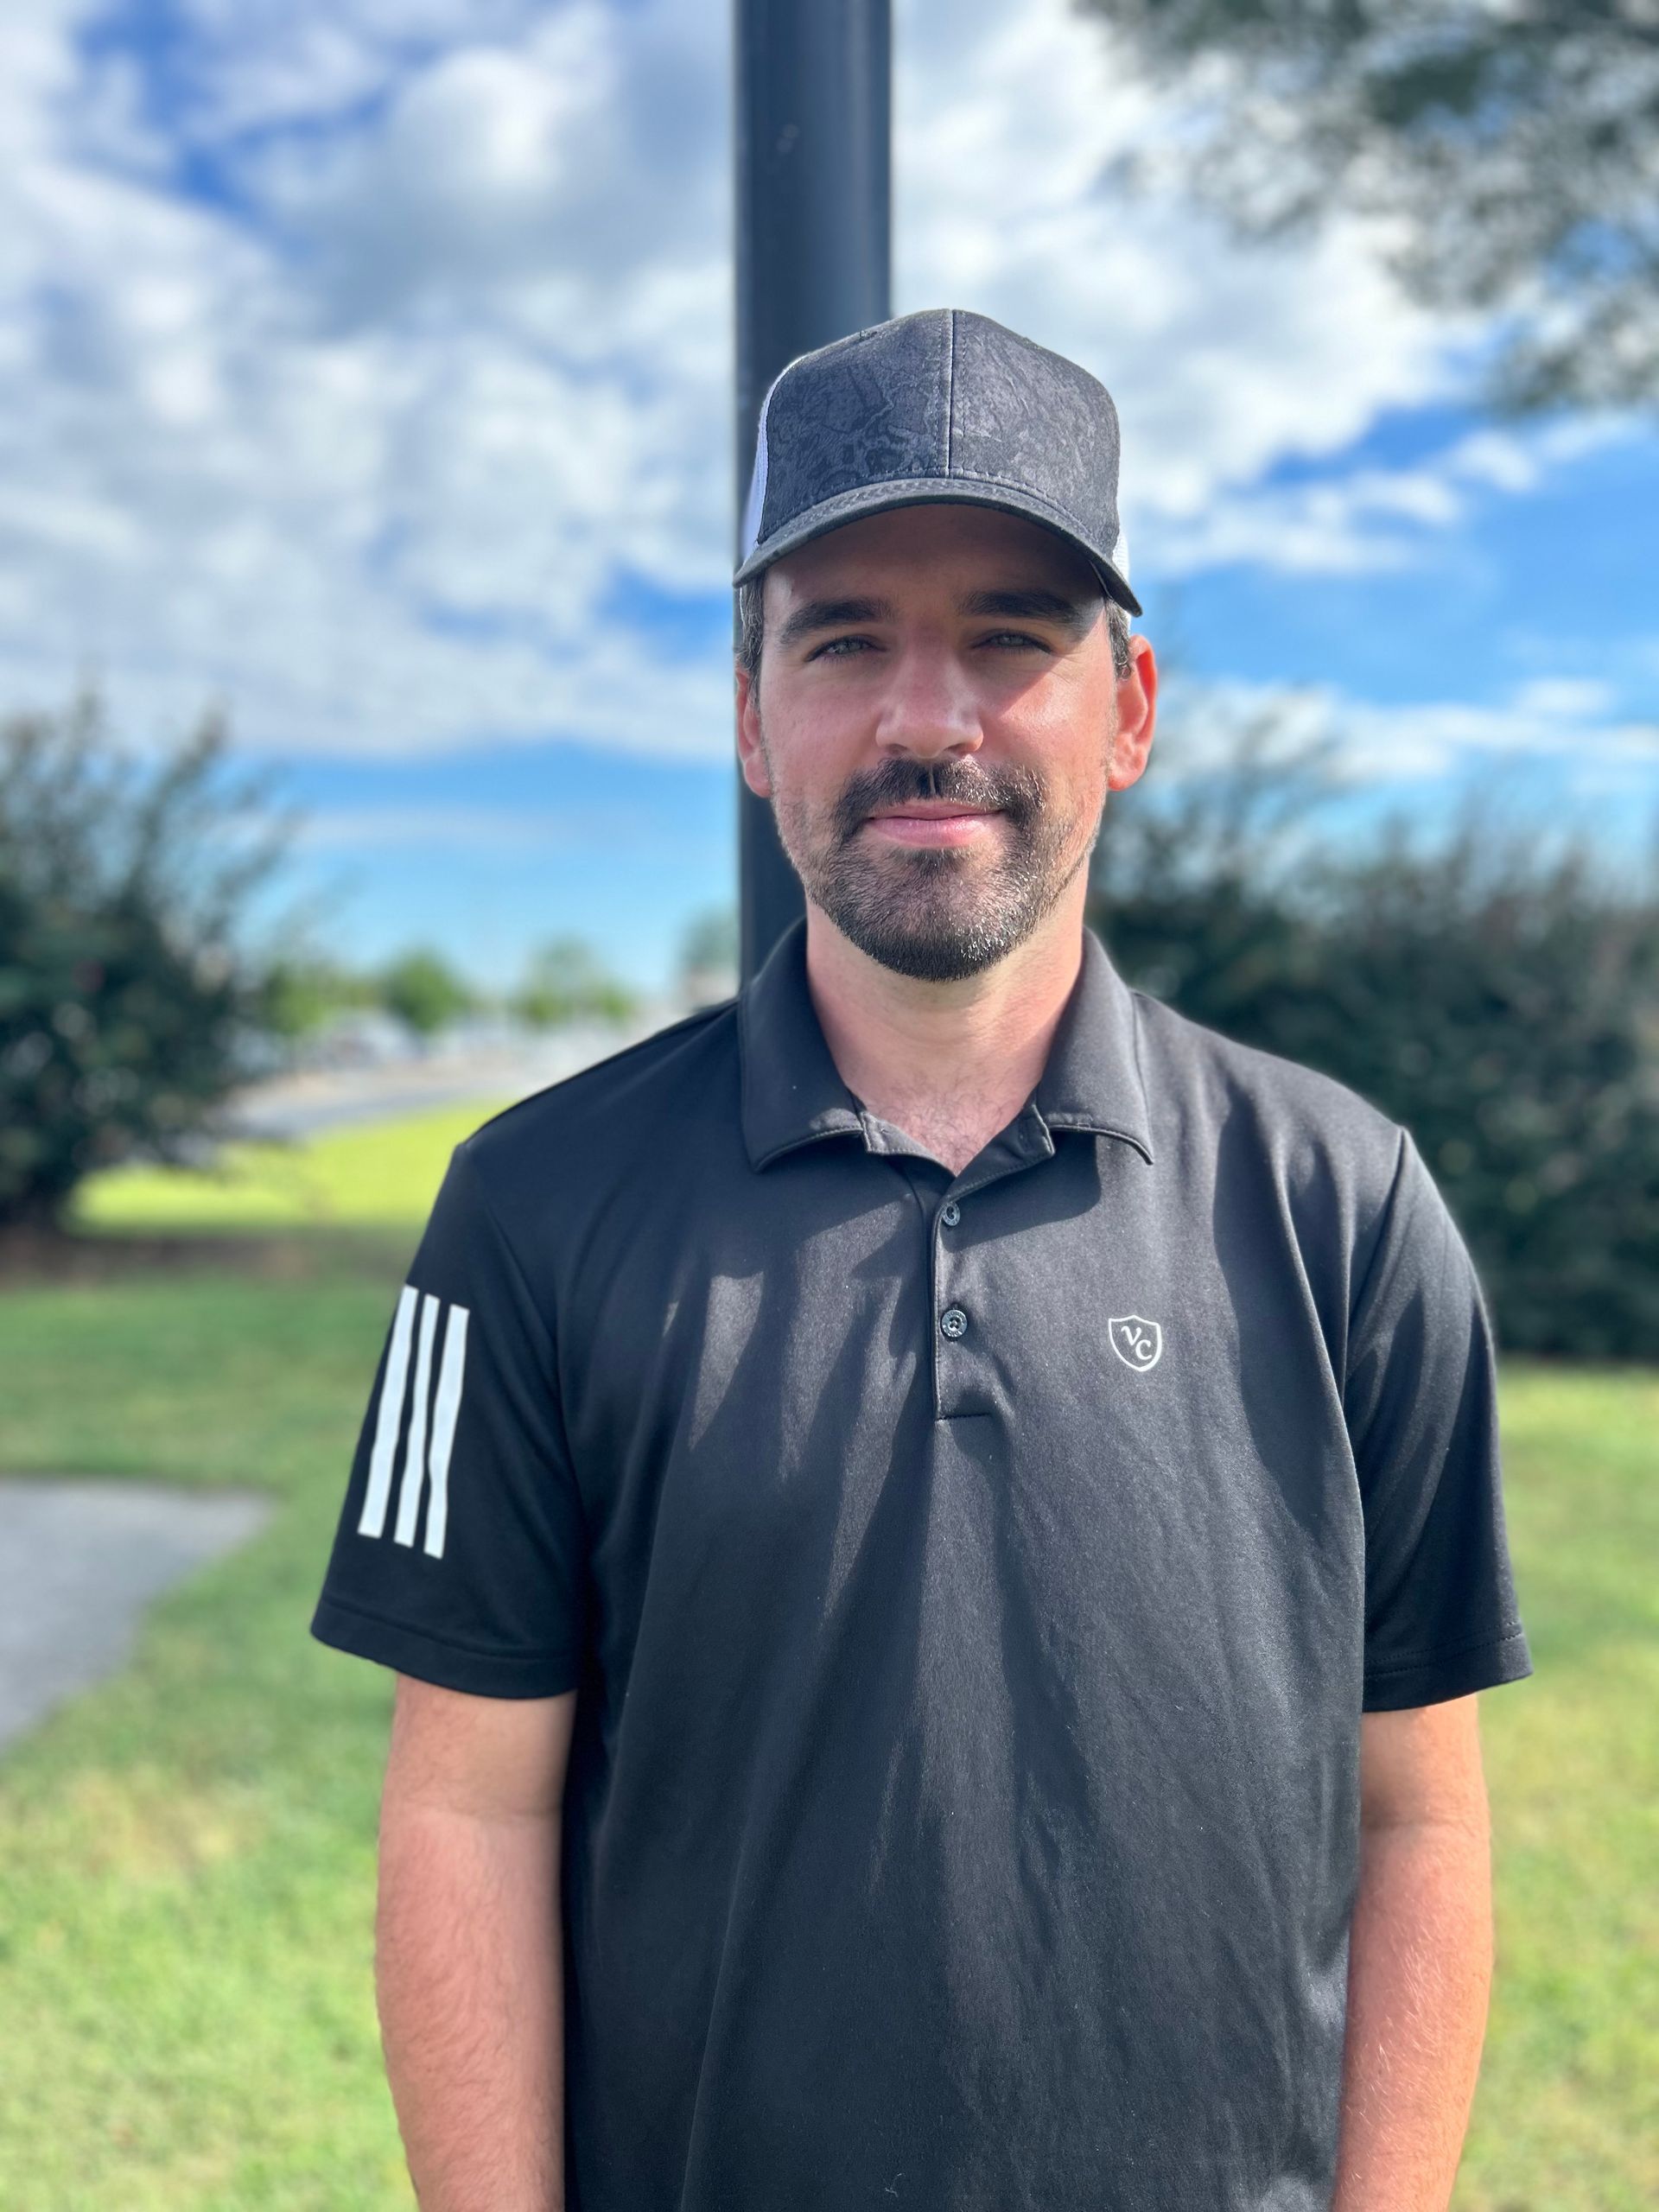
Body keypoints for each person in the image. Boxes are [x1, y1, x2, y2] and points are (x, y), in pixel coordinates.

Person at [309, 307, 1533, 2212]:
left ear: (1130, 709)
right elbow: (468, 1806)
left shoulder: (1346, 1203)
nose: (927, 716)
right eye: (846, 638)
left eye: (1011, 638)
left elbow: (1419, 1813)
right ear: (749, 713)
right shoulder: (528, 1211)